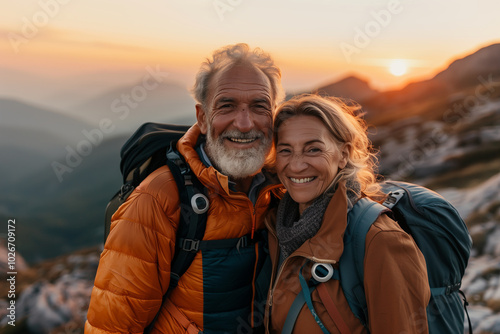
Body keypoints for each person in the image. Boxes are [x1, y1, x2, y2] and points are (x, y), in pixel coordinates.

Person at [85, 43, 285, 334]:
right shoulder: (157, 199)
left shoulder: (282, 188)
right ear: (202, 118)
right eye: (227, 106)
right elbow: (111, 326)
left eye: (259, 106)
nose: (244, 123)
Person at [264, 94, 431, 333]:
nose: (297, 165)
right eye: (285, 150)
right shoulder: (278, 226)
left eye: (313, 149)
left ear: (343, 155)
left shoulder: (380, 241)